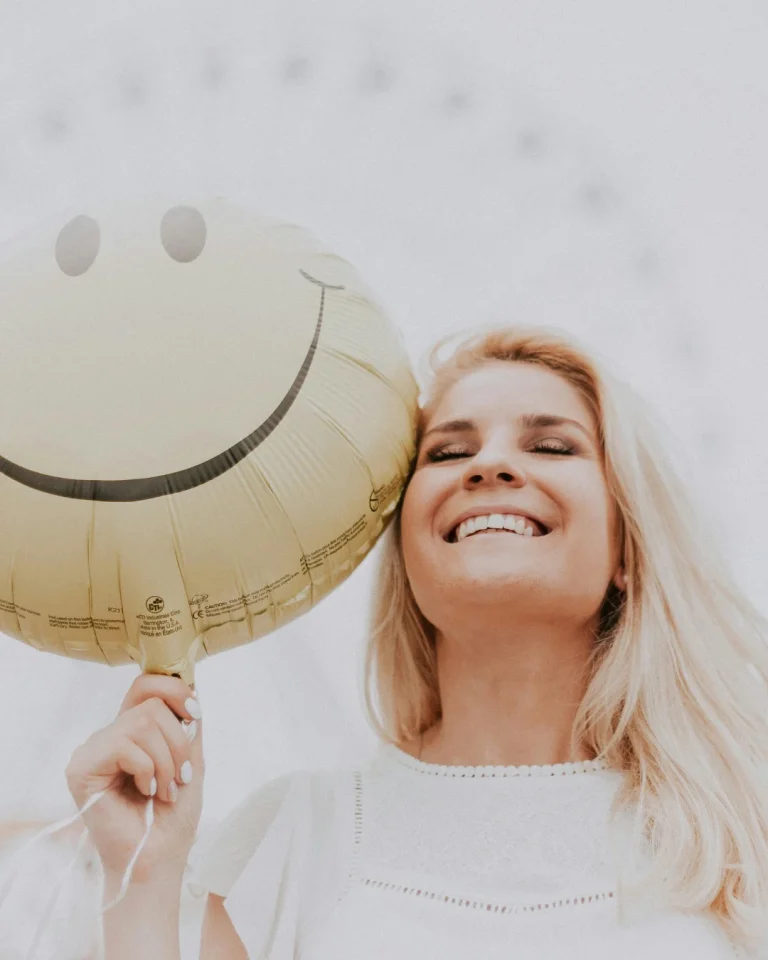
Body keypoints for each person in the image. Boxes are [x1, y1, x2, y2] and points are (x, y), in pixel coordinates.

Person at [66, 324, 768, 959]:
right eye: (448, 452)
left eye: (551, 446)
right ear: (408, 552)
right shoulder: (295, 840)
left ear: (628, 548)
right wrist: (142, 881)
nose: (488, 467)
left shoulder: (736, 840)